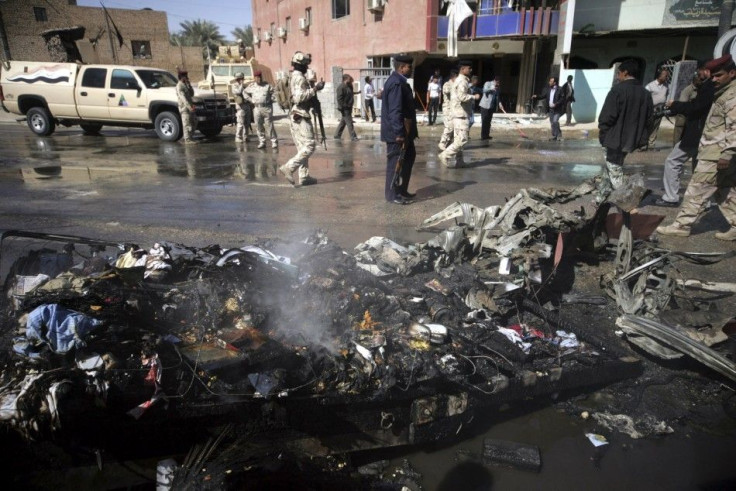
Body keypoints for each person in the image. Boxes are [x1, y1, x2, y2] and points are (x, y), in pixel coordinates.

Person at [657, 55, 736, 241]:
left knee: (696, 189)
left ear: (732, 73)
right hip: (716, 151)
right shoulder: (724, 92)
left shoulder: (732, 96)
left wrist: (728, 153)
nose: (714, 79)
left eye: (719, 75)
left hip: (716, 154)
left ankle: (681, 225)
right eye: (713, 75)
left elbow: (734, 127)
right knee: (725, 190)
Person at [654, 62, 714, 207]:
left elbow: (695, 108)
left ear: (705, 70)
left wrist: (675, 105)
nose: (697, 75)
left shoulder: (709, 87)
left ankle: (670, 197)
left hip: (696, 134)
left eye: (699, 71)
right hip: (704, 134)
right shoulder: (707, 87)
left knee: (672, 161)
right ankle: (704, 202)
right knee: (699, 167)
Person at [596, 59, 653, 203]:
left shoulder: (618, 90)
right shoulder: (645, 94)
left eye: (619, 73)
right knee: (612, 167)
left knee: (615, 171)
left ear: (625, 73)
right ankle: (601, 197)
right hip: (631, 140)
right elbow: (649, 120)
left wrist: (603, 135)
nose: (617, 76)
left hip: (614, 139)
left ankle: (626, 203)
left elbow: (606, 117)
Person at [279, 51, 325, 186]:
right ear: (300, 65)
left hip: (296, 115)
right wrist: (315, 89)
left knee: (302, 148)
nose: (307, 67)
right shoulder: (299, 78)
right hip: (300, 115)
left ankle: (304, 177)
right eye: (305, 65)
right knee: (310, 146)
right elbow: (299, 97)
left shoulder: (295, 76)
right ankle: (289, 167)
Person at [381, 54, 418, 205]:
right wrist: (399, 133)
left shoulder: (400, 82)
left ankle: (401, 189)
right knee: (395, 162)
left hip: (406, 132)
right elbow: (395, 111)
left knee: (408, 158)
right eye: (409, 67)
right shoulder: (396, 83)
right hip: (398, 133)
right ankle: (392, 194)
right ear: (401, 68)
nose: (411, 69)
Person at [438, 61, 479, 168]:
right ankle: (445, 155)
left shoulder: (460, 80)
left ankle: (459, 161)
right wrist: (473, 97)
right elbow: (462, 97)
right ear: (463, 69)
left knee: (458, 139)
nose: (470, 70)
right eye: (469, 68)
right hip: (461, 114)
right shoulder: (462, 81)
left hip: (458, 113)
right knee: (462, 139)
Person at [244, 70, 278, 149]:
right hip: (257, 108)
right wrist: (250, 100)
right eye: (256, 77)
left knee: (269, 125)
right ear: (254, 78)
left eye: (259, 77)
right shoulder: (252, 86)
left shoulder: (267, 85)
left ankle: (274, 141)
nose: (258, 79)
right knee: (258, 125)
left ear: (261, 77)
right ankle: (262, 141)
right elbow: (244, 92)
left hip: (266, 108)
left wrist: (271, 100)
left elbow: (274, 93)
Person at [643, 68, 670, 150]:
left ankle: (651, 144)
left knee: (655, 127)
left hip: (660, 110)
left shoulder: (666, 86)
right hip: (650, 110)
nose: (667, 77)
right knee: (647, 127)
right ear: (659, 76)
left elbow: (666, 95)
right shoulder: (649, 86)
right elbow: (645, 99)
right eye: (665, 75)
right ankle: (643, 144)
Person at [533, 77, 565, 141]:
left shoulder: (560, 89)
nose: (549, 82)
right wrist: (536, 96)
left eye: (551, 81)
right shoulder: (548, 89)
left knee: (555, 121)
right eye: (549, 81)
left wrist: (557, 103)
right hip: (550, 109)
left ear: (554, 83)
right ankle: (555, 136)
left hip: (557, 109)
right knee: (552, 123)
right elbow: (543, 96)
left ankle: (557, 135)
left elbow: (562, 99)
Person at [672, 73, 699, 145]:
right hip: (683, 117)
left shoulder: (699, 89)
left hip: (691, 117)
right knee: (678, 135)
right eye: (698, 79)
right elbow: (682, 104)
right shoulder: (687, 90)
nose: (700, 81)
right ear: (695, 80)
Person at [334, 74, 359, 141]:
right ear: (345, 79)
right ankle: (353, 136)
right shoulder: (341, 87)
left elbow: (350, 93)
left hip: (349, 106)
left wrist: (357, 92)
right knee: (349, 122)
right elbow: (339, 98)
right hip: (344, 108)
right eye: (349, 79)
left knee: (343, 121)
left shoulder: (349, 86)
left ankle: (337, 135)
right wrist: (343, 106)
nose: (350, 80)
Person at [438, 70, 458, 151]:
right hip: (448, 109)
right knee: (449, 126)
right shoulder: (447, 84)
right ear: (453, 77)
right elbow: (448, 91)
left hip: (454, 109)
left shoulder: (455, 84)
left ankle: (448, 144)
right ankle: (442, 142)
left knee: (453, 128)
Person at [176, 70, 197, 144]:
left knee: (194, 122)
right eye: (185, 76)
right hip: (184, 107)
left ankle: (190, 137)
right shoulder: (179, 86)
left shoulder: (185, 85)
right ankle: (187, 139)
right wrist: (189, 107)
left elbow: (192, 94)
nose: (187, 78)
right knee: (187, 123)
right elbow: (183, 98)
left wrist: (189, 85)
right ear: (182, 77)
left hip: (190, 106)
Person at [231, 72, 250, 143]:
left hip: (246, 105)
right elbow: (238, 92)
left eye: (242, 79)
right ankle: (238, 137)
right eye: (240, 79)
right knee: (240, 123)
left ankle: (246, 136)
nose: (241, 80)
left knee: (247, 122)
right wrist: (241, 85)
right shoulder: (234, 86)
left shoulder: (245, 85)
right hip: (240, 106)